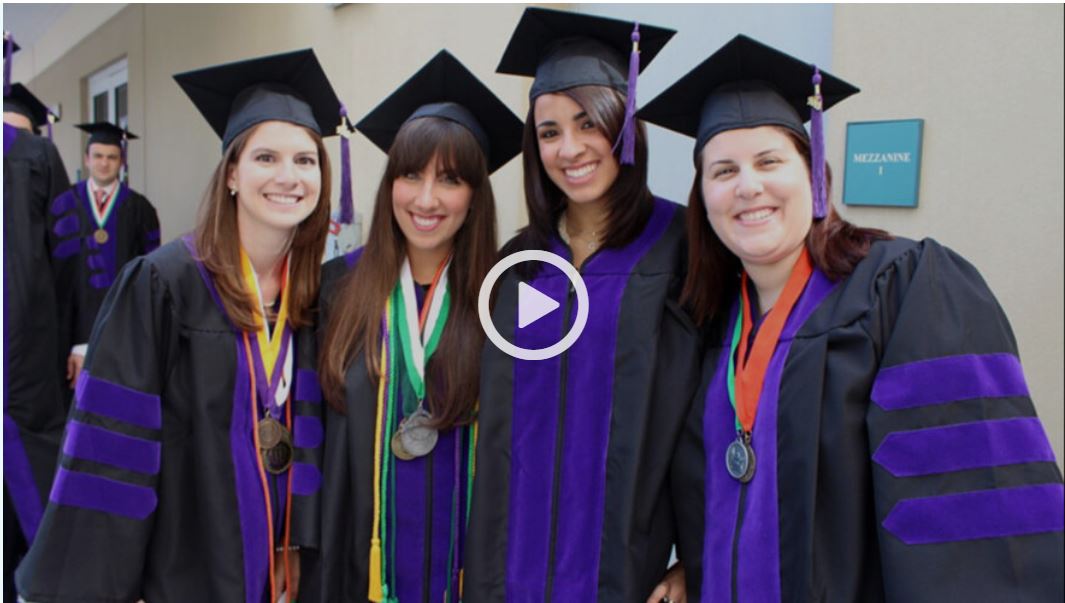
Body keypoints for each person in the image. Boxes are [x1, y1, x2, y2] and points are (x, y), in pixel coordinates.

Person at [638, 34, 1065, 601]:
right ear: (703, 196)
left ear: (813, 172)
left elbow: (967, 510)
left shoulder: (905, 288)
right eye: (723, 171)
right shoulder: (712, 322)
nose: (747, 186)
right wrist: (692, 564)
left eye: (770, 161)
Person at [15, 48, 347, 602]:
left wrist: (298, 542)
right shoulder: (161, 286)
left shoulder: (315, 293)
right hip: (185, 564)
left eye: (306, 160)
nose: (289, 177)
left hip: (283, 568)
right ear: (233, 174)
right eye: (266, 158)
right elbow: (114, 451)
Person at [464, 8, 700, 603]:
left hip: (627, 570)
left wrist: (692, 560)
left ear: (623, 124)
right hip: (508, 569)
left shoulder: (685, 249)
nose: (570, 148)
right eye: (548, 132)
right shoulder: (519, 263)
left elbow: (706, 421)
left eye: (588, 122)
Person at [311, 49, 522, 603]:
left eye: (450, 179)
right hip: (360, 571)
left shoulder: (508, 299)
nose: (426, 199)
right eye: (410, 174)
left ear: (475, 195)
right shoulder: (337, 290)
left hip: (469, 575)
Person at [3, 33, 72, 603]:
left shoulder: (32, 155)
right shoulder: (36, 155)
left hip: (27, 367)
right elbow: (67, 261)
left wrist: (74, 343)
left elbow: (68, 259)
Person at [48, 122, 160, 391]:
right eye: (98, 156)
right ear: (87, 159)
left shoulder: (140, 208)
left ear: (122, 162)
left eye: (112, 157)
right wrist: (77, 341)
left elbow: (148, 276)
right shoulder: (64, 204)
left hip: (123, 331)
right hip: (69, 331)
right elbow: (59, 277)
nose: (104, 163)